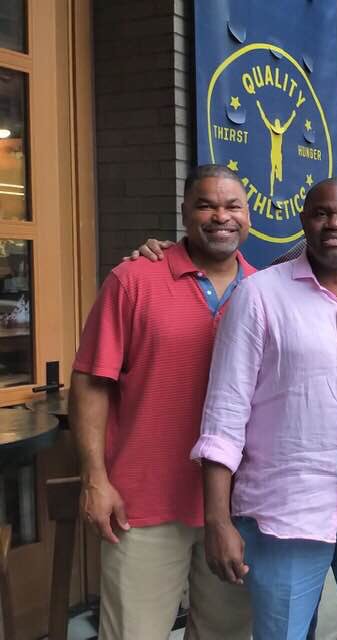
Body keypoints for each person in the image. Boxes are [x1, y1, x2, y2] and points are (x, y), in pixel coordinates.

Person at [133, 149, 337, 629]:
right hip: (284, 519)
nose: (333, 224)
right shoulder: (260, 296)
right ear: (304, 221)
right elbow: (224, 418)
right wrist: (218, 520)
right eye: (321, 213)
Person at [69, 165, 253, 639]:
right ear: (185, 212)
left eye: (232, 206)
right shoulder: (133, 280)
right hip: (142, 501)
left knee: (226, 634)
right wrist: (95, 479)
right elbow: (91, 381)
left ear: (248, 215)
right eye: (206, 205)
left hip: (238, 506)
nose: (220, 217)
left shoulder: (265, 291)